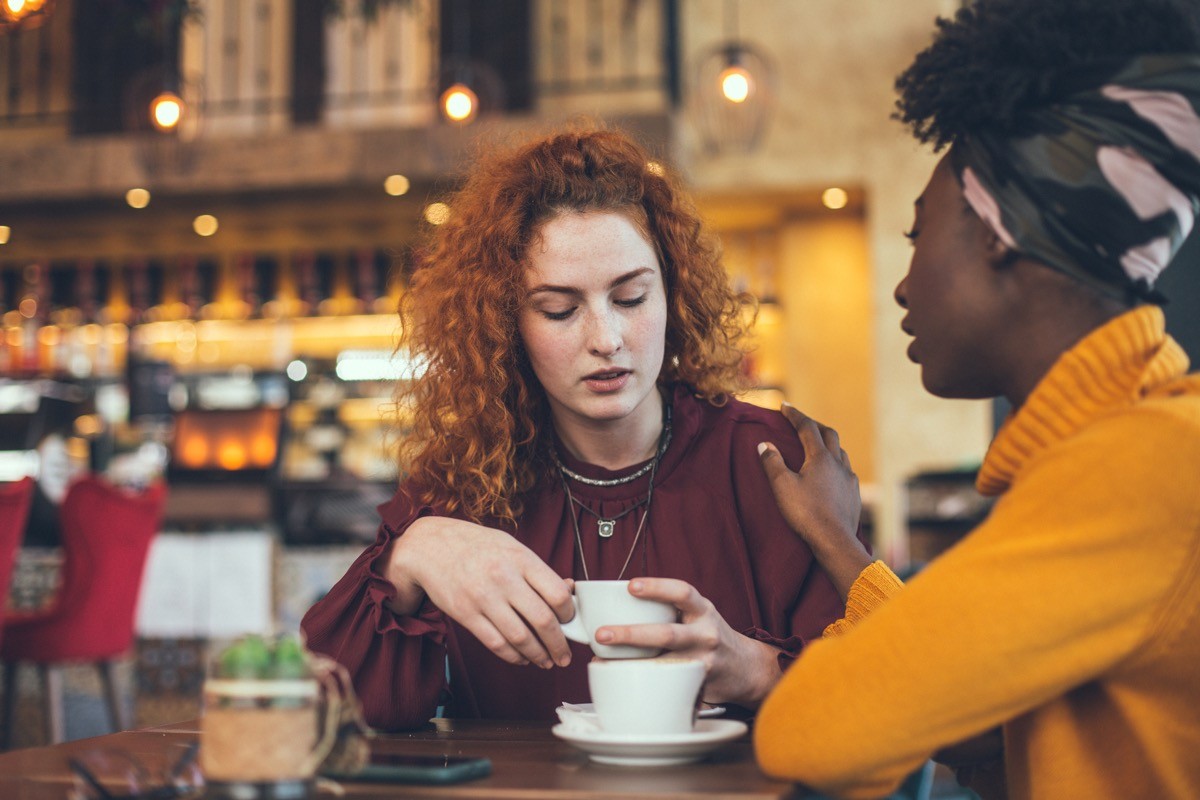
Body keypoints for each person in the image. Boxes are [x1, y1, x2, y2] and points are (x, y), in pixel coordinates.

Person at [752, 1, 1200, 797]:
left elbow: (810, 731)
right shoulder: (1129, 447)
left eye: (919, 233)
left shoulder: (1140, 467)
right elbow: (981, 715)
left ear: (997, 233)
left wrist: (766, 668)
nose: (902, 283)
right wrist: (835, 537)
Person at [301, 128, 852, 730]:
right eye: (559, 310)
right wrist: (410, 557)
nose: (606, 339)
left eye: (632, 297)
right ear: (506, 325)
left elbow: (882, 705)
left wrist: (754, 668)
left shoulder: (769, 461)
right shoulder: (465, 482)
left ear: (674, 294)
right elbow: (332, 714)